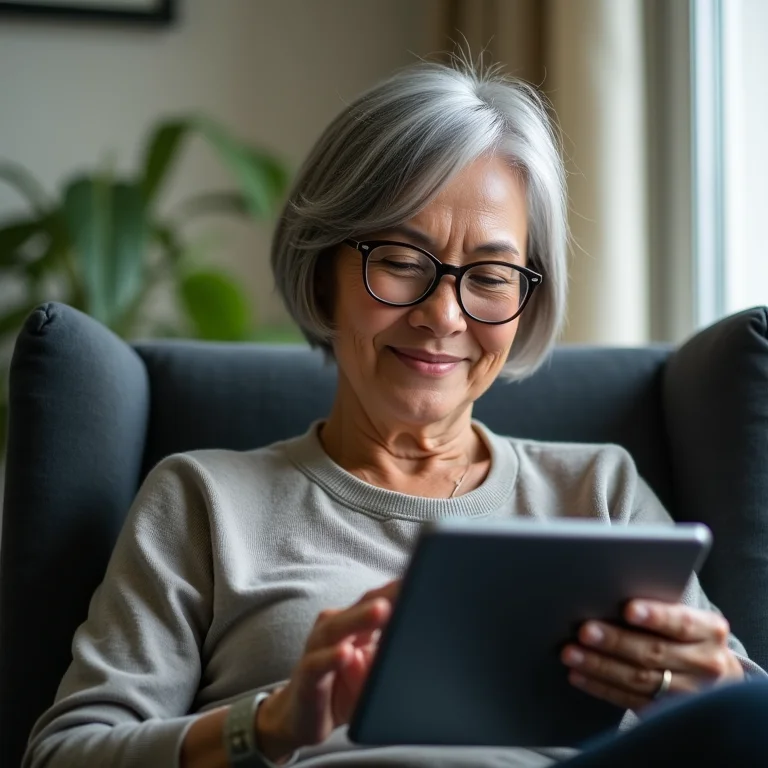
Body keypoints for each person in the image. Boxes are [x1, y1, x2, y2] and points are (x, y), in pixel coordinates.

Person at [24, 58, 768, 768]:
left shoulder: (599, 492)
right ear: (324, 272)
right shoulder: (204, 502)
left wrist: (708, 684)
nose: (443, 315)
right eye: (402, 262)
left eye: (491, 275)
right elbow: (63, 754)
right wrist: (273, 722)